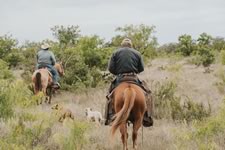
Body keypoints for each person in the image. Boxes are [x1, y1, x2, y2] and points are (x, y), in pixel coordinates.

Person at [104, 38, 153, 127]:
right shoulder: (137, 53)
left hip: (120, 79)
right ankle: (147, 116)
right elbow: (141, 68)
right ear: (131, 45)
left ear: (122, 45)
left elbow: (110, 68)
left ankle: (109, 116)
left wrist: (118, 74)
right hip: (134, 78)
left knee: (109, 95)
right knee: (148, 93)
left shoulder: (115, 53)